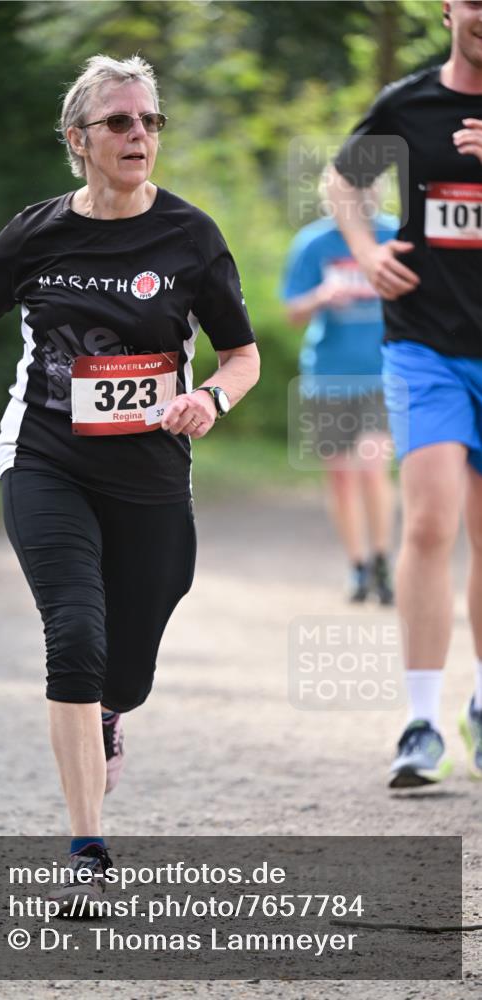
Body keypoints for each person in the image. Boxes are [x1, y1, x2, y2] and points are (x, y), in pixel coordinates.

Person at [0, 55, 259, 905]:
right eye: (119, 122)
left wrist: (211, 397)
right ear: (79, 139)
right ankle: (86, 851)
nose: (138, 134)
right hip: (44, 457)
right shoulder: (35, 233)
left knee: (127, 667)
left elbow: (242, 355)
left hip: (150, 476)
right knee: (73, 634)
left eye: (149, 121)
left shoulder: (191, 237)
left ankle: (110, 711)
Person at [328, 0, 482, 787]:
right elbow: (341, 179)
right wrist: (363, 248)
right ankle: (421, 720)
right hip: (423, 342)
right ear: (450, 8)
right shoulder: (410, 103)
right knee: (428, 520)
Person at [282, 171, 397, 604]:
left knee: (372, 466)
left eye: (368, 191)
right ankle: (358, 565)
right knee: (342, 477)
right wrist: (322, 296)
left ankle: (384, 560)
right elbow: (292, 311)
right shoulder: (314, 243)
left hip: (382, 374)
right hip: (328, 375)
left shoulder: (395, 236)